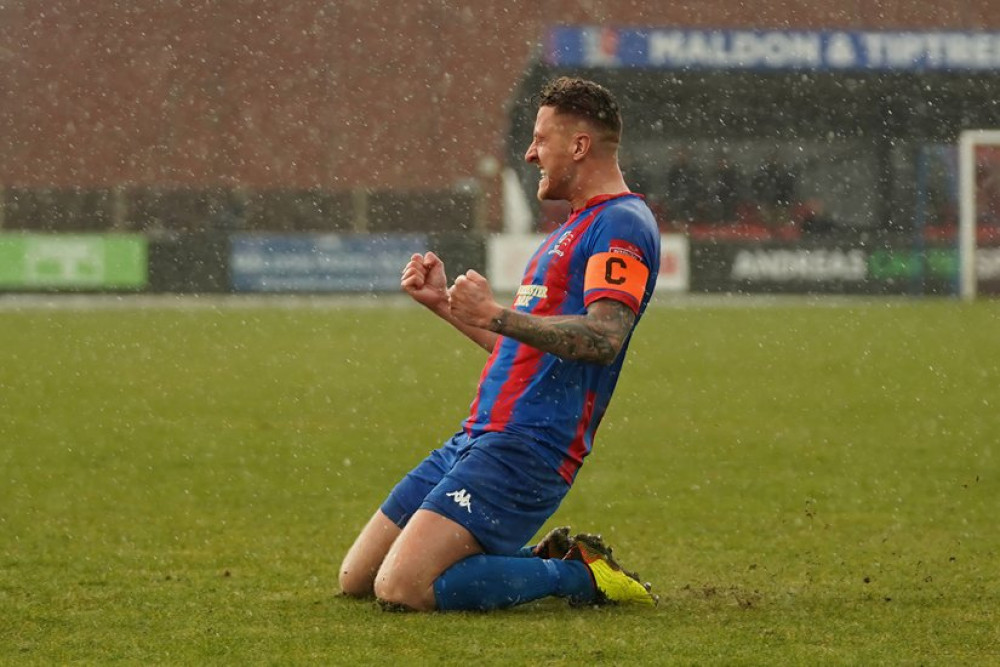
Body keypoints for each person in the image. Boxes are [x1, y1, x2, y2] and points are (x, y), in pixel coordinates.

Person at [338, 77, 661, 612]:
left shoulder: (622, 225)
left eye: (540, 139)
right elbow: (521, 347)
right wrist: (447, 305)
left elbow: (604, 337)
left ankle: (579, 575)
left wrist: (497, 313)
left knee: (402, 588)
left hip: (528, 448)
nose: (530, 153)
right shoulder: (569, 229)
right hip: (478, 436)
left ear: (579, 147)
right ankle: (535, 555)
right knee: (359, 577)